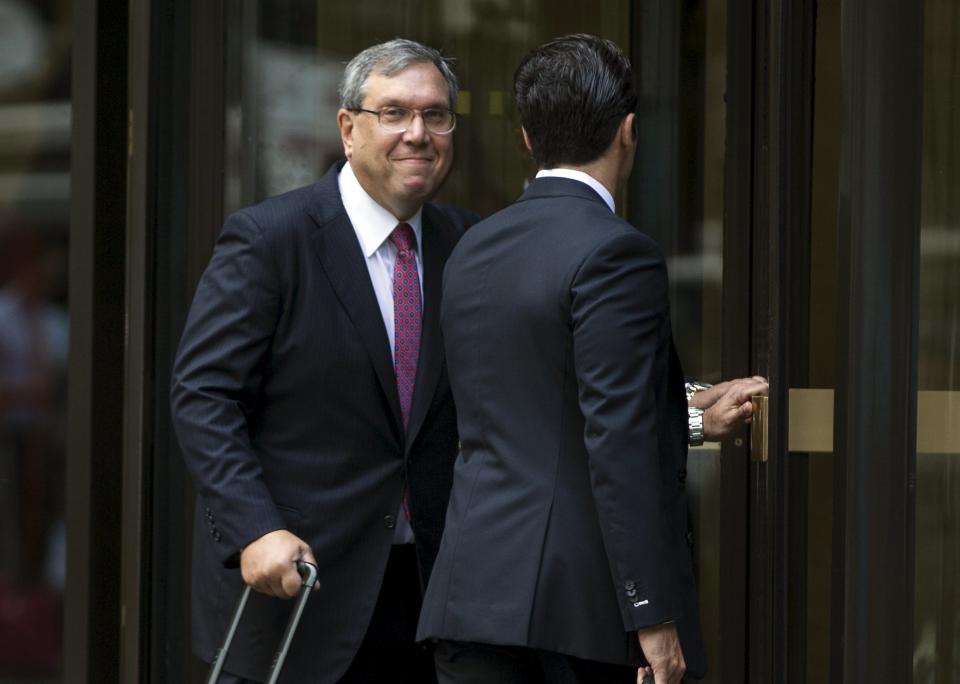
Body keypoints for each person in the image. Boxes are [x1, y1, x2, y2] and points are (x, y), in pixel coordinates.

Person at [417, 34, 767, 684]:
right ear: (628, 132)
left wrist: (688, 416)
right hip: (574, 617)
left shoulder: (472, 249)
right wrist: (652, 615)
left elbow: (531, 403)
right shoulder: (617, 252)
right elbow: (617, 439)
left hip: (469, 598)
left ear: (526, 138)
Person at [170, 39, 477, 683]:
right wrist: (255, 529)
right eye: (393, 112)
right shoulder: (270, 239)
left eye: (436, 115)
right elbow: (204, 396)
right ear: (348, 128)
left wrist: (685, 410)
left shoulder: (471, 248)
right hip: (296, 595)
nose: (417, 133)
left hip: (429, 604)